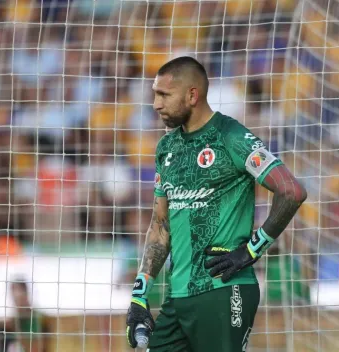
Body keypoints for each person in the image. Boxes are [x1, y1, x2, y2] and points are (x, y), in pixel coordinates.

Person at [125, 56, 307, 352]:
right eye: (155, 94)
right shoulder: (166, 148)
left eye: (164, 95)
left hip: (224, 288)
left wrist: (251, 250)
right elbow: (160, 226)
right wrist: (139, 296)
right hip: (178, 295)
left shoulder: (231, 137)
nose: (156, 104)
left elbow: (292, 190)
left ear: (192, 95)